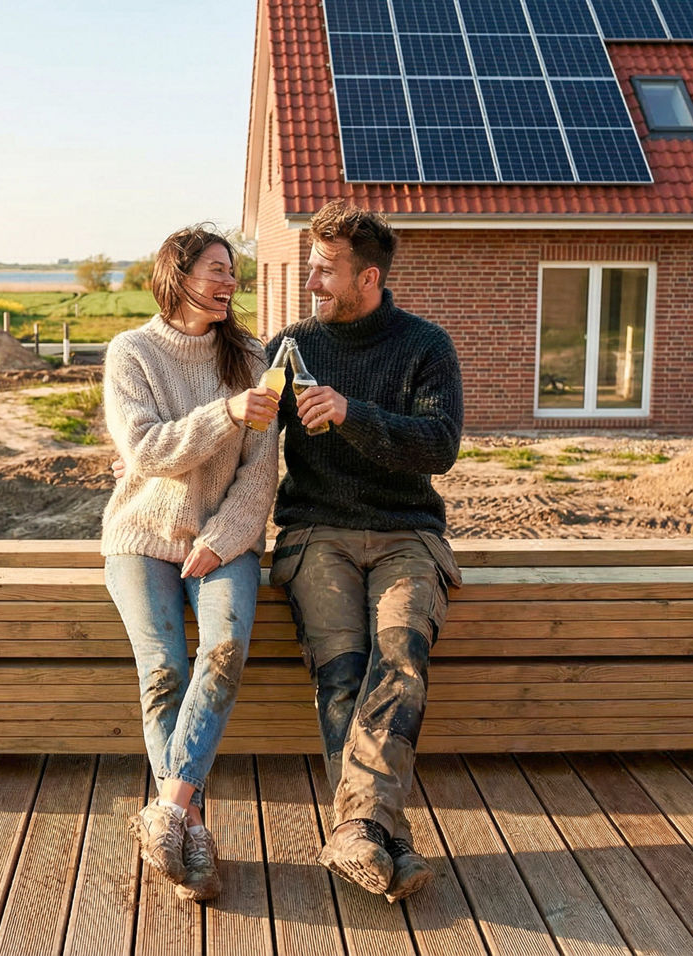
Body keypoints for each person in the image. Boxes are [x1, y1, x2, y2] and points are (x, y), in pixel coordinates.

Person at [266, 199, 463, 903]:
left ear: (368, 277)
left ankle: (360, 832)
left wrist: (353, 413)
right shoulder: (291, 347)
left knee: (400, 656)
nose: (310, 282)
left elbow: (439, 446)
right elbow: (246, 450)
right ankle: (384, 836)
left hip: (408, 533)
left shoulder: (426, 347)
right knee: (343, 672)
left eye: (325, 270)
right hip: (316, 533)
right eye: (310, 267)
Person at [101, 225, 280, 902]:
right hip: (141, 534)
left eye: (233, 271)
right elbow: (144, 450)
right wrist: (226, 413)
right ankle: (194, 831)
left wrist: (226, 536)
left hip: (222, 540)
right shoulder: (132, 352)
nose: (230, 282)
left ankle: (169, 811)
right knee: (164, 671)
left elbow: (261, 471)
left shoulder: (252, 357)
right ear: (178, 277)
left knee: (225, 647)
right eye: (216, 270)